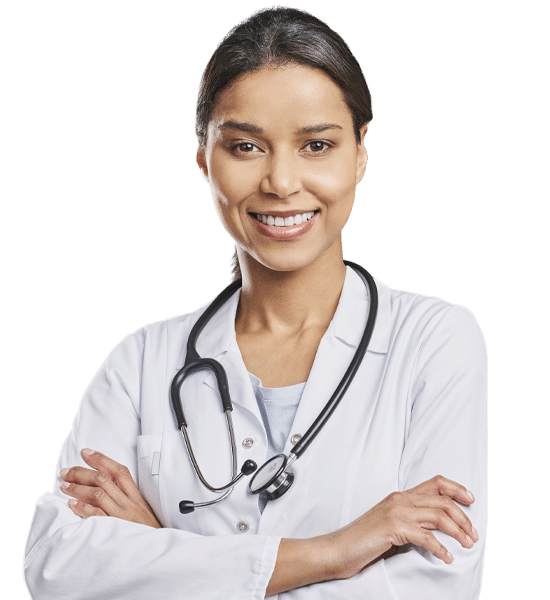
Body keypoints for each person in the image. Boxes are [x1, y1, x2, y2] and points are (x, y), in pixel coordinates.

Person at [23, 5, 487, 599]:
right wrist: (333, 553)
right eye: (245, 147)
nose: (281, 182)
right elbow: (58, 569)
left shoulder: (435, 340)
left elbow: (432, 586)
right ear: (203, 158)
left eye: (316, 144)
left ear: (360, 153)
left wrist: (163, 549)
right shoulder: (141, 362)